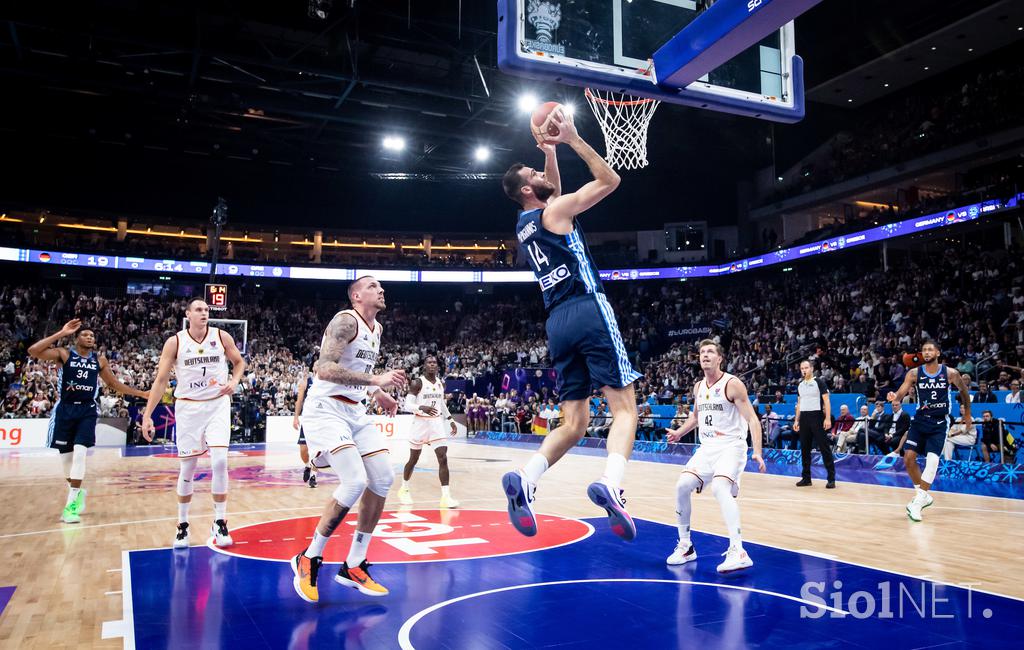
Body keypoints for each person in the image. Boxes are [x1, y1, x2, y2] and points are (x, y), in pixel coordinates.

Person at [501, 105, 640, 541]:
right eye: (534, 172)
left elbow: (552, 190)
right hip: (587, 306)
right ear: (527, 187)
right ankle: (612, 484)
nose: (541, 174)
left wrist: (549, 152)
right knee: (625, 409)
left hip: (556, 321)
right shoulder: (555, 211)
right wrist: (574, 138)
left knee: (575, 422)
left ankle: (527, 476)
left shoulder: (525, 223)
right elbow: (610, 181)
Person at [291, 276, 406, 603]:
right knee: (355, 480)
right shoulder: (345, 321)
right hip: (326, 409)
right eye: (372, 286)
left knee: (383, 478)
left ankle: (354, 564)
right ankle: (309, 557)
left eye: (382, 286)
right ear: (356, 295)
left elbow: (358, 369)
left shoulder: (377, 329)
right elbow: (324, 369)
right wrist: (376, 378)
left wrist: (378, 392)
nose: (381, 289)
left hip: (355, 412)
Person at [141, 299, 246, 548]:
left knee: (220, 461)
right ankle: (182, 525)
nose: (204, 313)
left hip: (217, 404)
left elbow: (239, 362)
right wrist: (147, 415)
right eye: (199, 309)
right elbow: (160, 380)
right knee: (187, 468)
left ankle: (220, 522)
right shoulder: (175, 342)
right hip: (188, 408)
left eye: (207, 310)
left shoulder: (221, 336)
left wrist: (234, 381)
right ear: (188, 314)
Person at [28, 319, 148, 524]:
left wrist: (141, 393)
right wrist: (61, 332)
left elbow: (113, 383)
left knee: (80, 455)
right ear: (76, 338)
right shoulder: (64, 354)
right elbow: (34, 350)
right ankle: (77, 491)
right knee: (66, 463)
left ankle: (71, 506)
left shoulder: (99, 360)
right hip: (64, 410)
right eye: (85, 335)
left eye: (92, 335)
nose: (90, 337)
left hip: (87, 410)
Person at [665, 339, 766, 573]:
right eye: (702, 352)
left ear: (720, 358)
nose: (705, 355)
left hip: (731, 446)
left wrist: (757, 452)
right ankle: (686, 546)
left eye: (710, 352)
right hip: (707, 448)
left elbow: (752, 419)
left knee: (719, 488)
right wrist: (679, 433)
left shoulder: (732, 384)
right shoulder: (698, 386)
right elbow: (696, 417)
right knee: (681, 486)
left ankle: (739, 550)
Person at [887, 340, 971, 521]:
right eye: (924, 350)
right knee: (908, 458)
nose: (926, 352)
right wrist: (896, 397)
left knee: (933, 460)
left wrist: (968, 415)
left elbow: (964, 393)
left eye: (930, 349)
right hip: (920, 420)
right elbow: (901, 391)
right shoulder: (914, 373)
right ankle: (922, 494)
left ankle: (917, 503)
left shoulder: (950, 373)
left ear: (938, 353)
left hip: (940, 423)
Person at [398, 355, 459, 508]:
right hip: (420, 422)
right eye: (429, 362)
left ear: (437, 366)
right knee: (413, 460)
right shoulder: (417, 383)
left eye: (434, 363)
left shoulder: (440, 382)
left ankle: (446, 497)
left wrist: (450, 419)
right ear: (424, 366)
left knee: (443, 458)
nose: (432, 365)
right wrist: (421, 407)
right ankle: (404, 488)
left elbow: (441, 403)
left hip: (436, 423)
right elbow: (407, 405)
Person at [793, 360, 836, 488]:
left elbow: (826, 401)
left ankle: (831, 478)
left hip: (817, 416)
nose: (804, 370)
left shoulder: (819, 382)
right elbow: (799, 404)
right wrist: (796, 420)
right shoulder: (800, 385)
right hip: (804, 418)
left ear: (811, 368)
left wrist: (827, 418)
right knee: (805, 449)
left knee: (824, 448)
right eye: (802, 368)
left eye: (806, 367)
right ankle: (806, 478)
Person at [293, 362, 317, 488]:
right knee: (303, 449)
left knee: (316, 450)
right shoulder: (307, 381)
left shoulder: (328, 383)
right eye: (317, 366)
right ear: (314, 368)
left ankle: (314, 476)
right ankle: (307, 465)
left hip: (320, 420)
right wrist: (296, 417)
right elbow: (299, 400)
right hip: (307, 419)